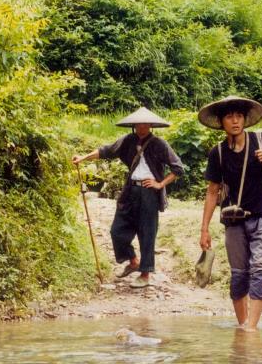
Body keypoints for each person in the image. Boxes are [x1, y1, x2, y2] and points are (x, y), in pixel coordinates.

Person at [197, 96, 262, 331]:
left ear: (245, 120)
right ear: (221, 122)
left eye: (239, 116)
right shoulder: (217, 153)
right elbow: (212, 192)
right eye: (229, 116)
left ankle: (251, 328)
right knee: (238, 274)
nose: (235, 121)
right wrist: (204, 229)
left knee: (261, 270)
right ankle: (243, 324)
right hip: (234, 220)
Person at [72, 107, 184, 288]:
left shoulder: (160, 144)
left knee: (147, 232)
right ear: (133, 125)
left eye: (145, 123)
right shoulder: (127, 141)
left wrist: (160, 184)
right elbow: (105, 151)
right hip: (130, 191)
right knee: (117, 230)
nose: (142, 126)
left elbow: (178, 168)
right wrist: (83, 158)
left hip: (149, 193)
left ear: (151, 125)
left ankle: (146, 274)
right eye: (139, 123)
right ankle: (133, 261)